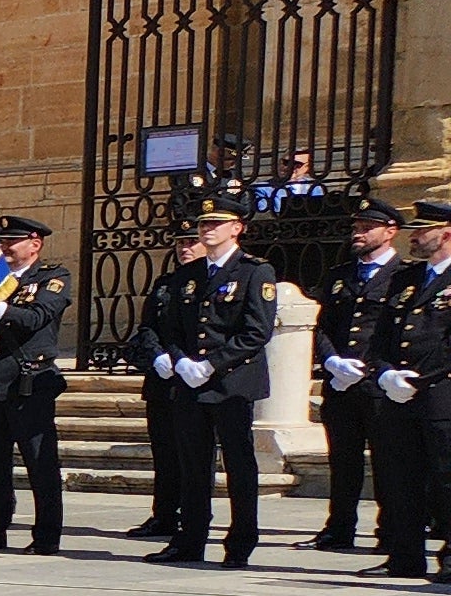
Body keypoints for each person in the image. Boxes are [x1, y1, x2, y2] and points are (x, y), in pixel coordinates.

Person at [134, 184, 274, 567]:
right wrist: (179, 361)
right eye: (203, 223)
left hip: (231, 382)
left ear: (237, 228)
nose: (207, 229)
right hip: (189, 382)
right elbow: (174, 328)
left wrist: (211, 364)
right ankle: (190, 538)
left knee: (239, 465)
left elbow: (256, 332)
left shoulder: (254, 271)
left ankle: (241, 540)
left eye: (216, 222)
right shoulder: (189, 275)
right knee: (192, 465)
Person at [0, 217, 72, 554]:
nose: (4, 247)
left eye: (13, 241)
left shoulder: (52, 277)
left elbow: (36, 317)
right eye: (1, 240)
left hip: (28, 381)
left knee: (39, 463)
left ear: (35, 244)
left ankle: (46, 536)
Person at [308, 199, 408, 553]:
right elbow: (321, 327)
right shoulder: (339, 276)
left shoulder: (404, 276)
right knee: (343, 460)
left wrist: (374, 367)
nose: (359, 234)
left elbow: (399, 332)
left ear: (390, 231)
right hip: (340, 383)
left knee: (388, 462)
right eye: (356, 228)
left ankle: (390, 530)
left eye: (367, 228)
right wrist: (331, 360)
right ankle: (339, 527)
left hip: (378, 384)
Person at [369, 202, 451, 581]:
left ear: (446, 233)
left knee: (445, 477)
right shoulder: (407, 279)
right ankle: (404, 557)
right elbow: (382, 336)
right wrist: (385, 373)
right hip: (399, 396)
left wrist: (418, 379)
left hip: (441, 396)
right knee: (401, 478)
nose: (414, 238)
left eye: (422, 231)